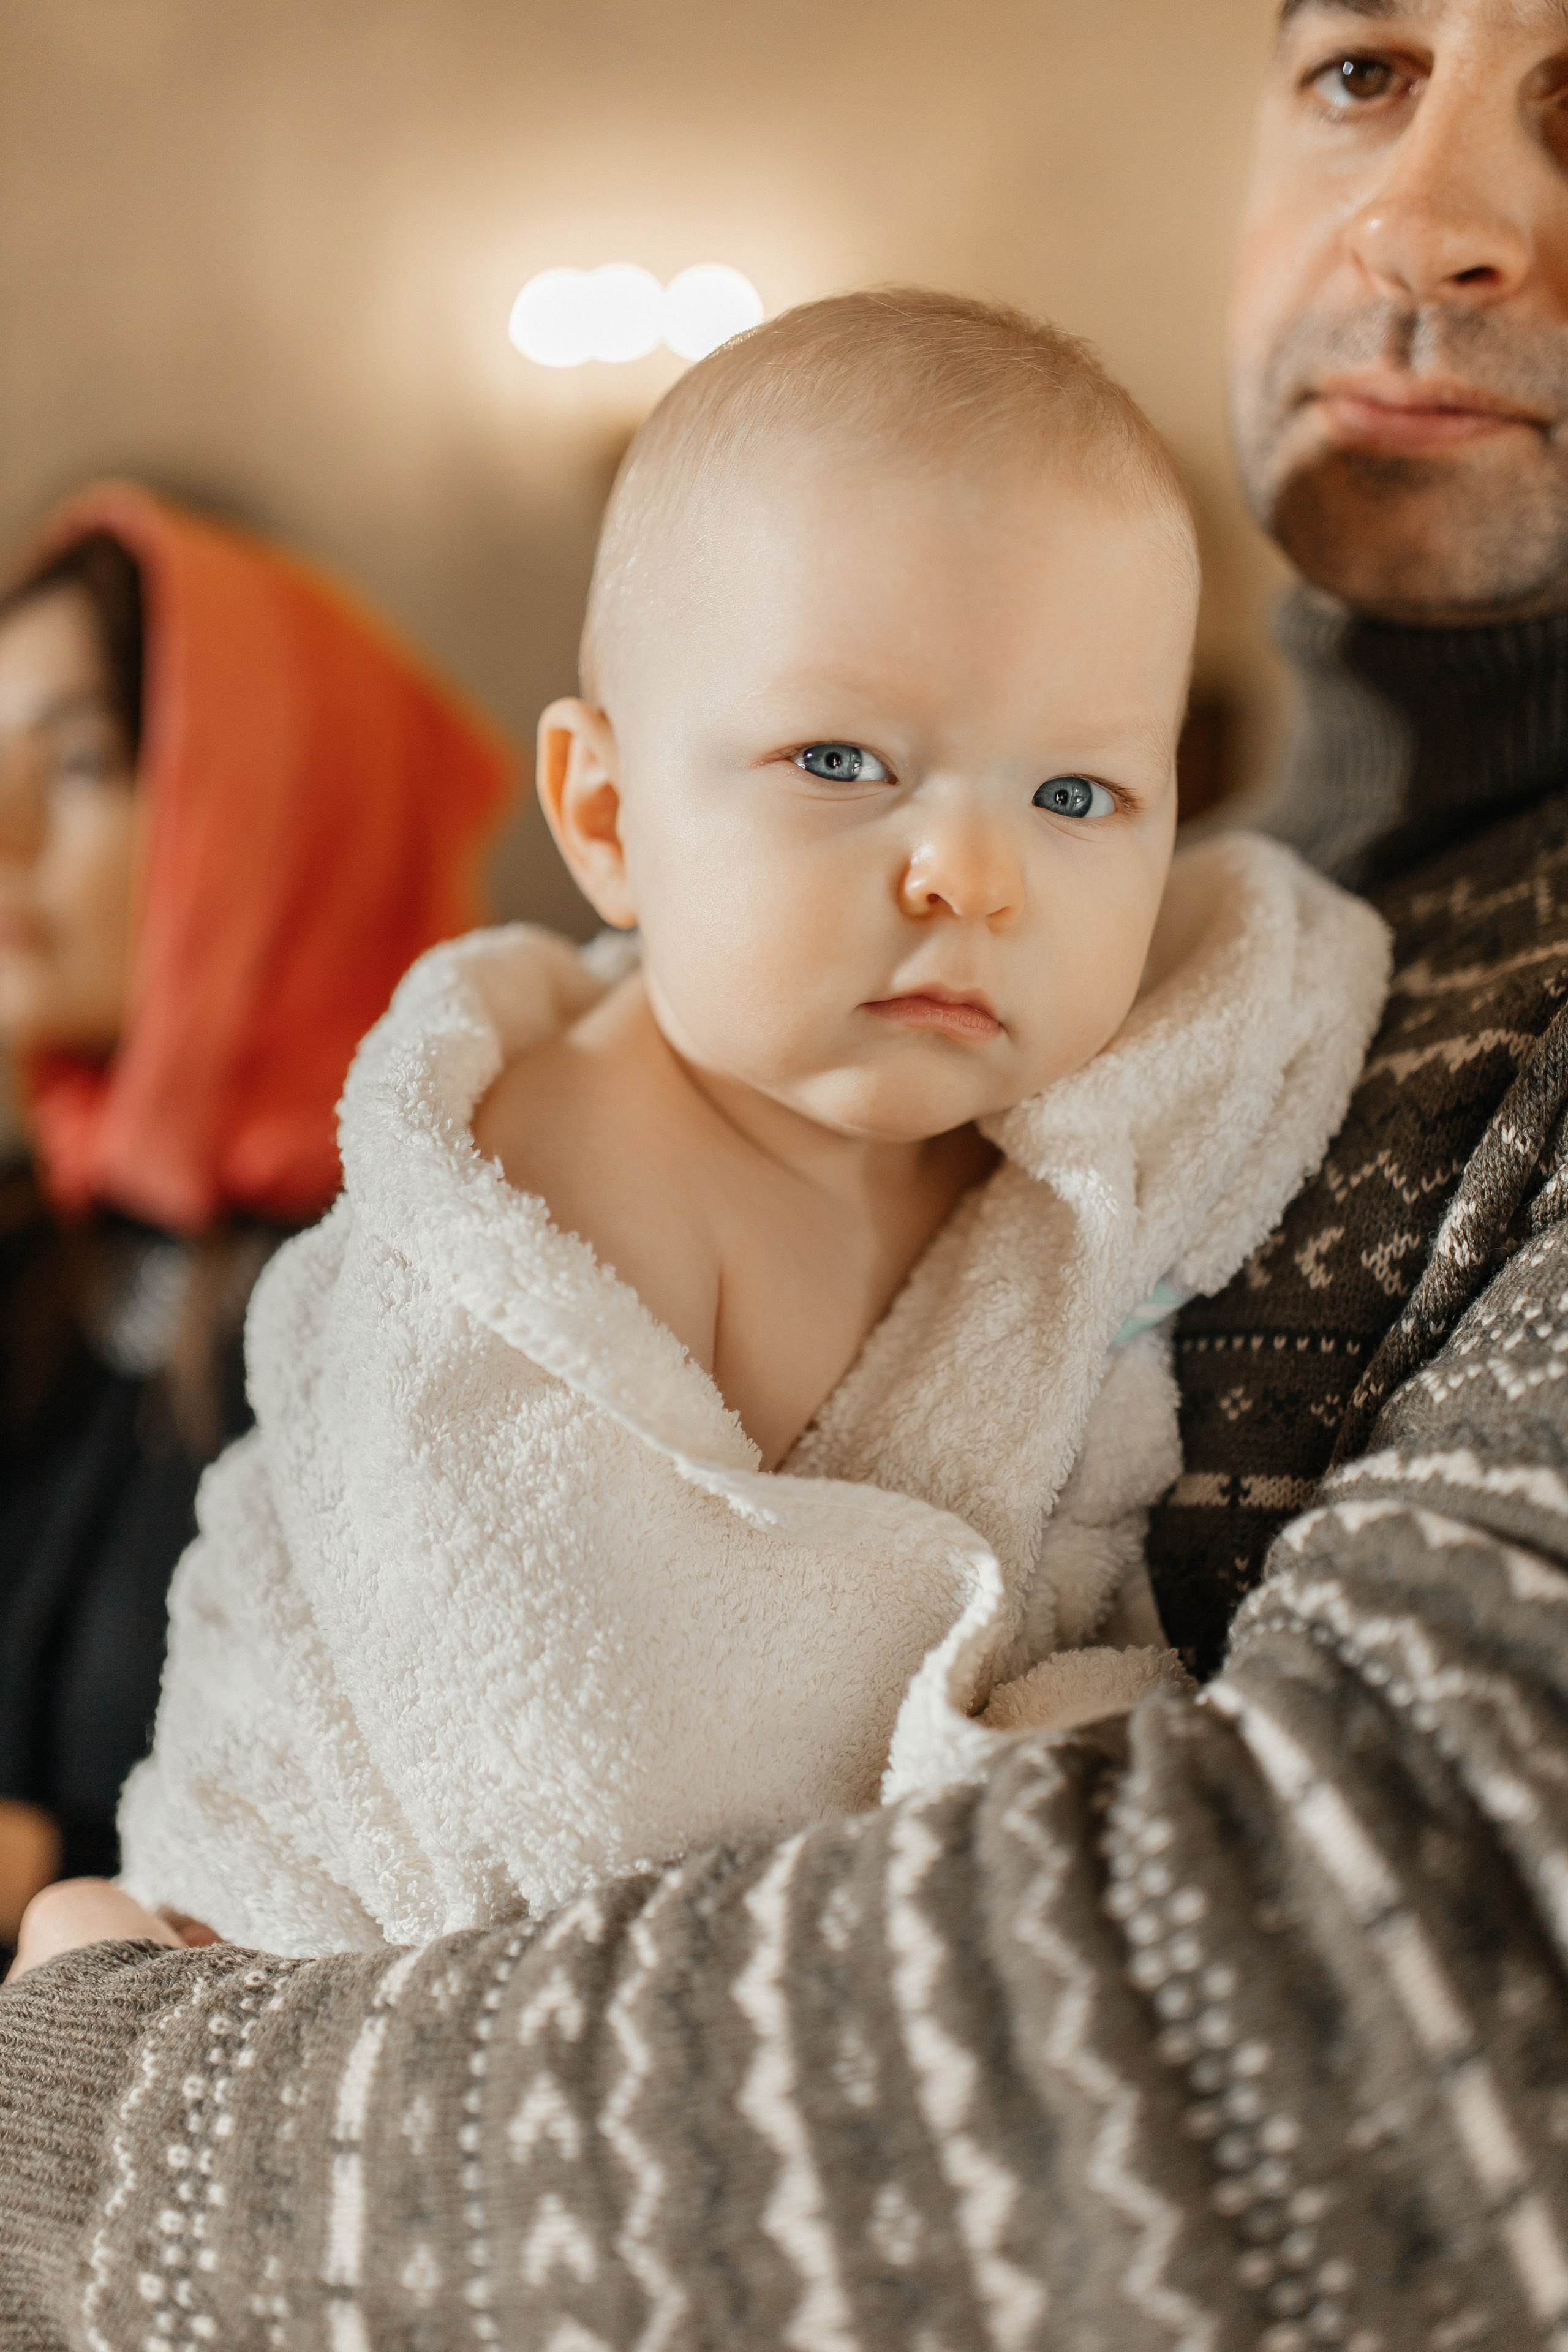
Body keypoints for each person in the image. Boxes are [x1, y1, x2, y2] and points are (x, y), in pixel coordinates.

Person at [9, 0, 1568, 2340]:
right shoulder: (1203, 964)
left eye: (1072, 799)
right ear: (609, 809)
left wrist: (117, 2127)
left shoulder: (1203, 1017)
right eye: (1363, 64)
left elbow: (1368, 2029)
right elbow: (497, 1660)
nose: (1430, 221)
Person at [112, 293, 1384, 1956]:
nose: (972, 875)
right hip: (353, 1964)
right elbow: (565, 1748)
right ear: (608, 817)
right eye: (844, 761)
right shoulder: (565, 1181)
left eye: (1075, 796)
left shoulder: (1080, 1141)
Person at [0, 480, 513, 1951]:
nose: (4, 824)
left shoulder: (447, 1280)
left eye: (82, 760)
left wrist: (52, 1860)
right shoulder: (33, 1243)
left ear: (279, 804)